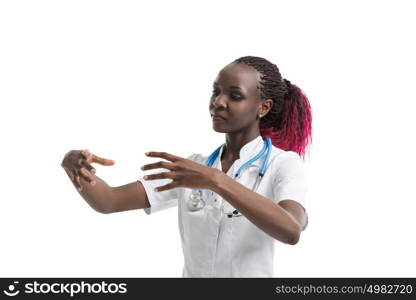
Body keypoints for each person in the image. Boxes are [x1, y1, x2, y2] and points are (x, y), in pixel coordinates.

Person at [61, 55, 313, 277]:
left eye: (234, 96)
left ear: (263, 107)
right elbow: (109, 201)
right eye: (216, 91)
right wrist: (78, 170)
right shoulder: (194, 168)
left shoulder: (283, 164)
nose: (218, 102)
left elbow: (291, 229)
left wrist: (216, 180)